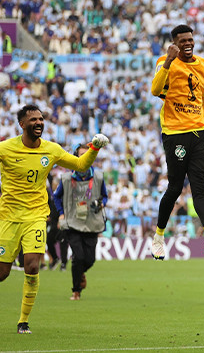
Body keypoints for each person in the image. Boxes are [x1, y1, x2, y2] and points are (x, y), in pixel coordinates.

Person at [0, 104, 109, 334]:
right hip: (8, 217)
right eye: (33, 120)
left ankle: (23, 322)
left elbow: (80, 165)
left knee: (31, 265)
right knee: (3, 273)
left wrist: (94, 148)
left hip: (36, 216)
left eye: (41, 119)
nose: (39, 122)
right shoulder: (6, 149)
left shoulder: (51, 149)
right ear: (22, 124)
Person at [150, 24, 204, 259]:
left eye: (190, 40)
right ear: (174, 43)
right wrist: (167, 62)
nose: (188, 43)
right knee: (175, 188)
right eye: (182, 40)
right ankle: (158, 237)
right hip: (175, 133)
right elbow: (155, 90)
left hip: (199, 132)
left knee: (199, 187)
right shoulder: (165, 61)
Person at [53, 143, 109, 301]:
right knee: (78, 256)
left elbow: (104, 196)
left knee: (89, 259)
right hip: (73, 222)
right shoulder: (66, 178)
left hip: (92, 221)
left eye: (88, 154)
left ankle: (80, 273)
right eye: (81, 155)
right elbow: (56, 197)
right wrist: (62, 214)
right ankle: (76, 290)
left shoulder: (98, 177)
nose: (85, 157)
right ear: (75, 157)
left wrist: (101, 203)